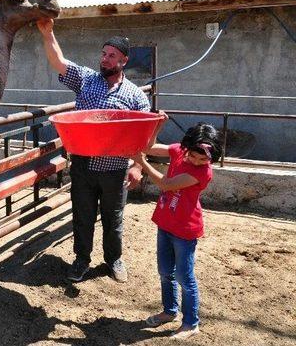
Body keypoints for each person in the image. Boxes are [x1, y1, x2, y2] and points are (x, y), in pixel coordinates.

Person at [36, 18, 150, 283]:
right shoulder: (86, 80)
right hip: (84, 166)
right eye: (103, 54)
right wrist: (48, 33)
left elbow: (141, 136)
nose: (105, 59)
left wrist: (136, 167)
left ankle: (113, 259)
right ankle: (81, 260)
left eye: (112, 56)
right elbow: (58, 61)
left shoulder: (135, 96)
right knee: (83, 216)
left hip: (115, 168)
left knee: (114, 219)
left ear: (123, 61)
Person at [131, 120, 222, 340]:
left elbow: (166, 184)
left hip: (185, 229)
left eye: (204, 159)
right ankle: (169, 310)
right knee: (165, 272)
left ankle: (191, 323)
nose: (198, 161)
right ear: (187, 147)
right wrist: (158, 126)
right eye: (194, 156)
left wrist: (141, 163)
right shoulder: (179, 151)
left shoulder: (202, 173)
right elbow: (149, 146)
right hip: (166, 222)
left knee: (184, 277)